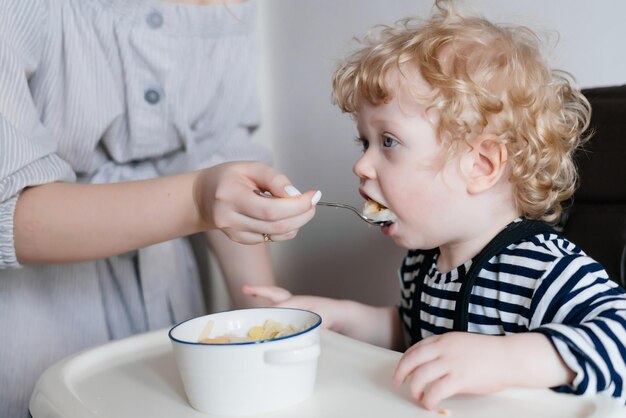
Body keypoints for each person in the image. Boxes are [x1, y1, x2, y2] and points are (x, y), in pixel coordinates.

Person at [243, 0, 626, 410]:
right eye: (364, 142)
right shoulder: (424, 263)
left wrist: (509, 358)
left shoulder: (543, 268)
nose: (361, 164)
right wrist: (337, 317)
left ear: (480, 165)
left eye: (388, 141)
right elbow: (412, 333)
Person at [0, 0, 321, 416]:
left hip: (168, 308)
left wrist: (266, 320)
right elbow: (10, 212)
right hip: (33, 323)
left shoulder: (234, 8)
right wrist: (196, 199)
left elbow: (222, 150)